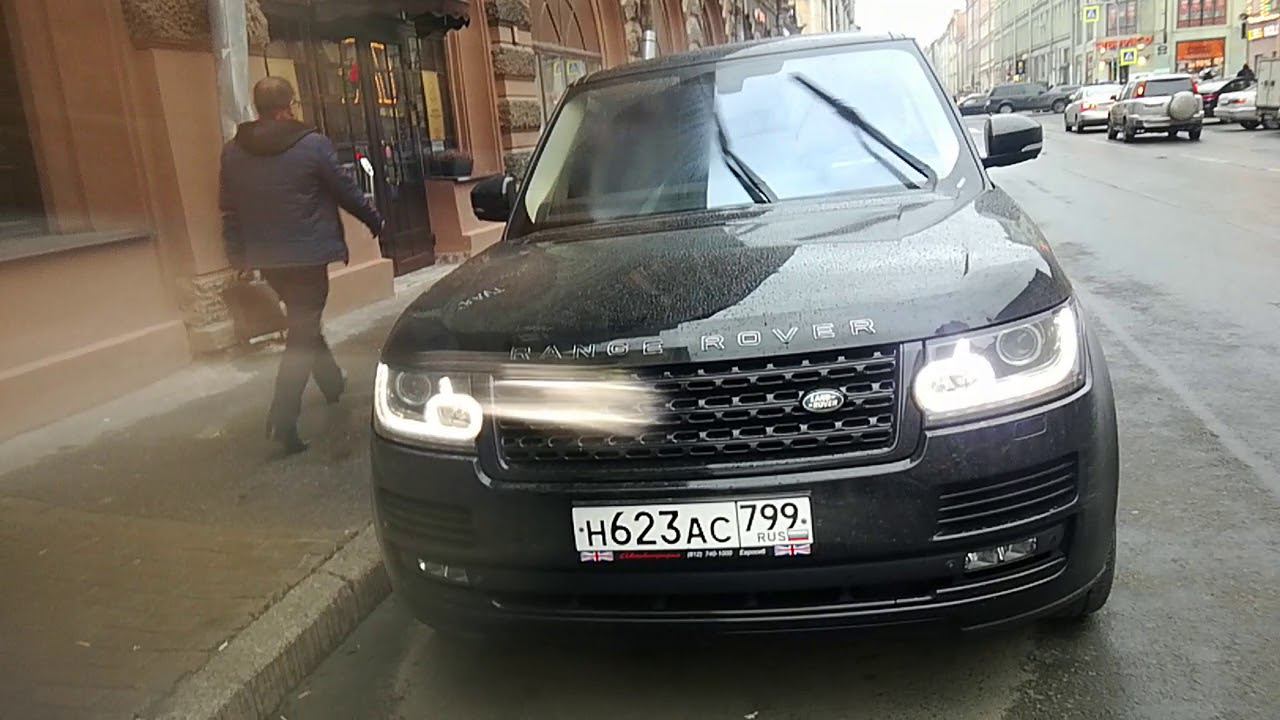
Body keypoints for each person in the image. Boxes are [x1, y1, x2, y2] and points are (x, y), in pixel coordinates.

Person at [220, 76, 384, 453]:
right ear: (288, 106)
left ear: (259, 107)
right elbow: (345, 189)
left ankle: (331, 382)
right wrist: (374, 219)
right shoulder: (312, 144)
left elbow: (229, 209)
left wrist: (237, 255)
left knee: (302, 321)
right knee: (303, 329)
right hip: (309, 255)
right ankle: (283, 415)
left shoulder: (233, 152)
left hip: (267, 258)